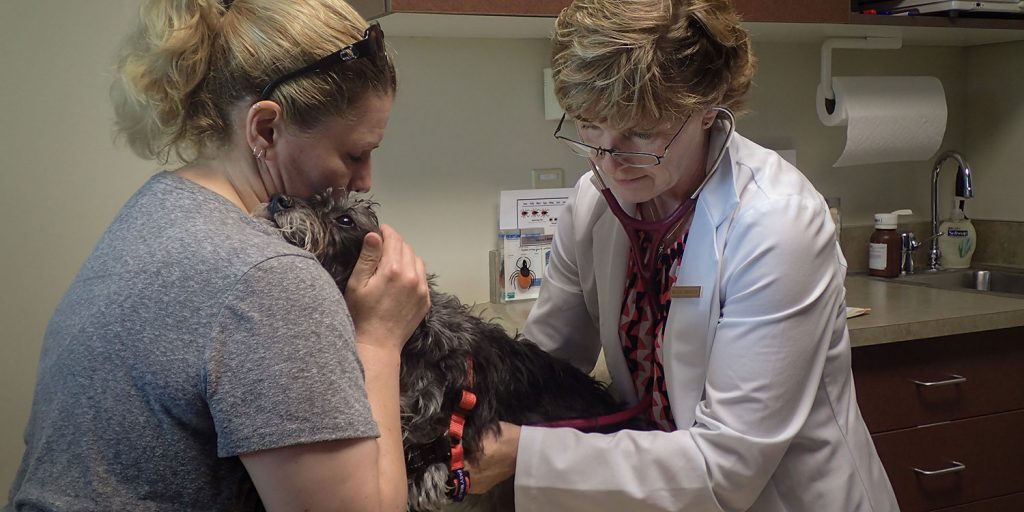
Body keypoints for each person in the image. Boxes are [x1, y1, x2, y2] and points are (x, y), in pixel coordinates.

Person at [467, 1, 901, 511]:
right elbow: (545, 367)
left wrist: (528, 453)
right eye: (590, 127)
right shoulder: (593, 203)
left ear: (707, 109)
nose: (610, 161)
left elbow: (727, 470)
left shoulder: (776, 223)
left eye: (641, 133)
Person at [7, 1, 429, 510]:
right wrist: (381, 340)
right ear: (266, 129)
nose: (364, 182)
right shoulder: (269, 280)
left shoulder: (154, 213)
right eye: (355, 154)